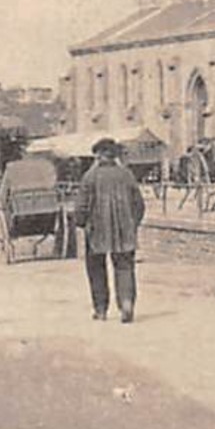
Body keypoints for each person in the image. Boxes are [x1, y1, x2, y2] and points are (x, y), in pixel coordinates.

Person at [75, 138, 146, 323]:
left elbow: (81, 207)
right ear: (114, 156)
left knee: (96, 268)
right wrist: (133, 224)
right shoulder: (127, 175)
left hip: (97, 230)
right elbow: (139, 204)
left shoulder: (90, 177)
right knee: (125, 266)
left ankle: (101, 310)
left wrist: (81, 223)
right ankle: (127, 303)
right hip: (125, 230)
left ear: (98, 156)